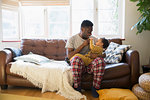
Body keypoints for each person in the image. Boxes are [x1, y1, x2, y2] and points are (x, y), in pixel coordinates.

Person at [65, 20, 106, 98]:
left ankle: (95, 88)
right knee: (76, 59)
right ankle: (77, 88)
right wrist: (83, 45)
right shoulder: (72, 39)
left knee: (100, 61)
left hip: (91, 65)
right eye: (88, 32)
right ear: (82, 29)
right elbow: (69, 56)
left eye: (91, 32)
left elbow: (104, 53)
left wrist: (97, 56)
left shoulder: (93, 39)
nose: (90, 34)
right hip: (79, 65)